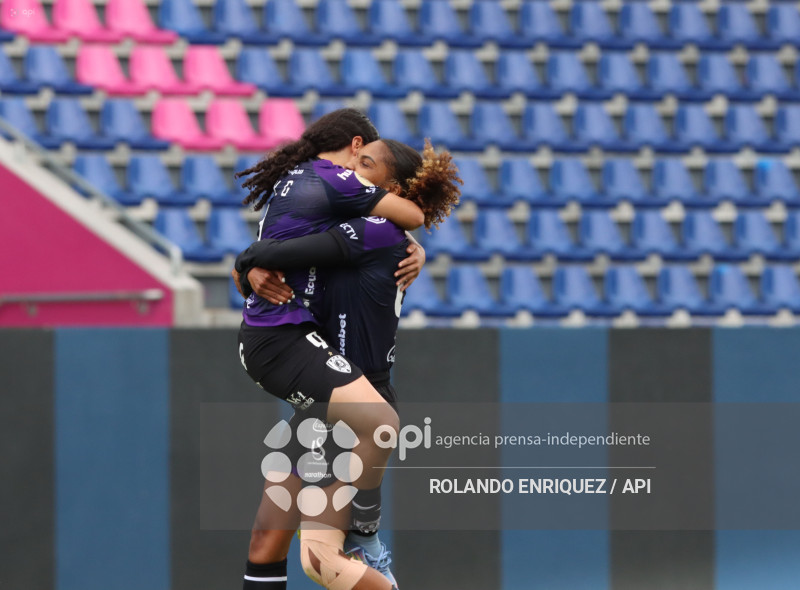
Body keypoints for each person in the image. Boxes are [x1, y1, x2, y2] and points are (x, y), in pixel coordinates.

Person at [234, 138, 461, 590]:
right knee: (265, 542)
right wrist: (250, 272)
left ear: (391, 187)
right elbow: (282, 250)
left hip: (353, 406)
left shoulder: (374, 232)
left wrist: (247, 263)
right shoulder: (360, 223)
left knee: (322, 561)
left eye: (364, 163)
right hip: (325, 401)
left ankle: (368, 539)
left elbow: (279, 252)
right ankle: (367, 537)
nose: (349, 168)